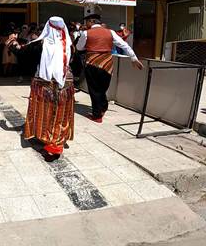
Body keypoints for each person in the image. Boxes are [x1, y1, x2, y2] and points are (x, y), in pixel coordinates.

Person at [21, 17, 75, 162]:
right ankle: (57, 141)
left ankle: (48, 141)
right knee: (61, 114)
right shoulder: (69, 44)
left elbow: (24, 58)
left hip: (43, 85)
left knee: (45, 113)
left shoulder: (38, 44)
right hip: (66, 84)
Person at [77, 14, 143, 123]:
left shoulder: (86, 33)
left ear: (91, 21)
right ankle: (103, 108)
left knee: (94, 90)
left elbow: (79, 47)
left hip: (92, 63)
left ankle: (97, 116)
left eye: (87, 22)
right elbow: (124, 45)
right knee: (103, 88)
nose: (86, 24)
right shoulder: (110, 32)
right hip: (107, 64)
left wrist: (89, 46)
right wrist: (133, 58)